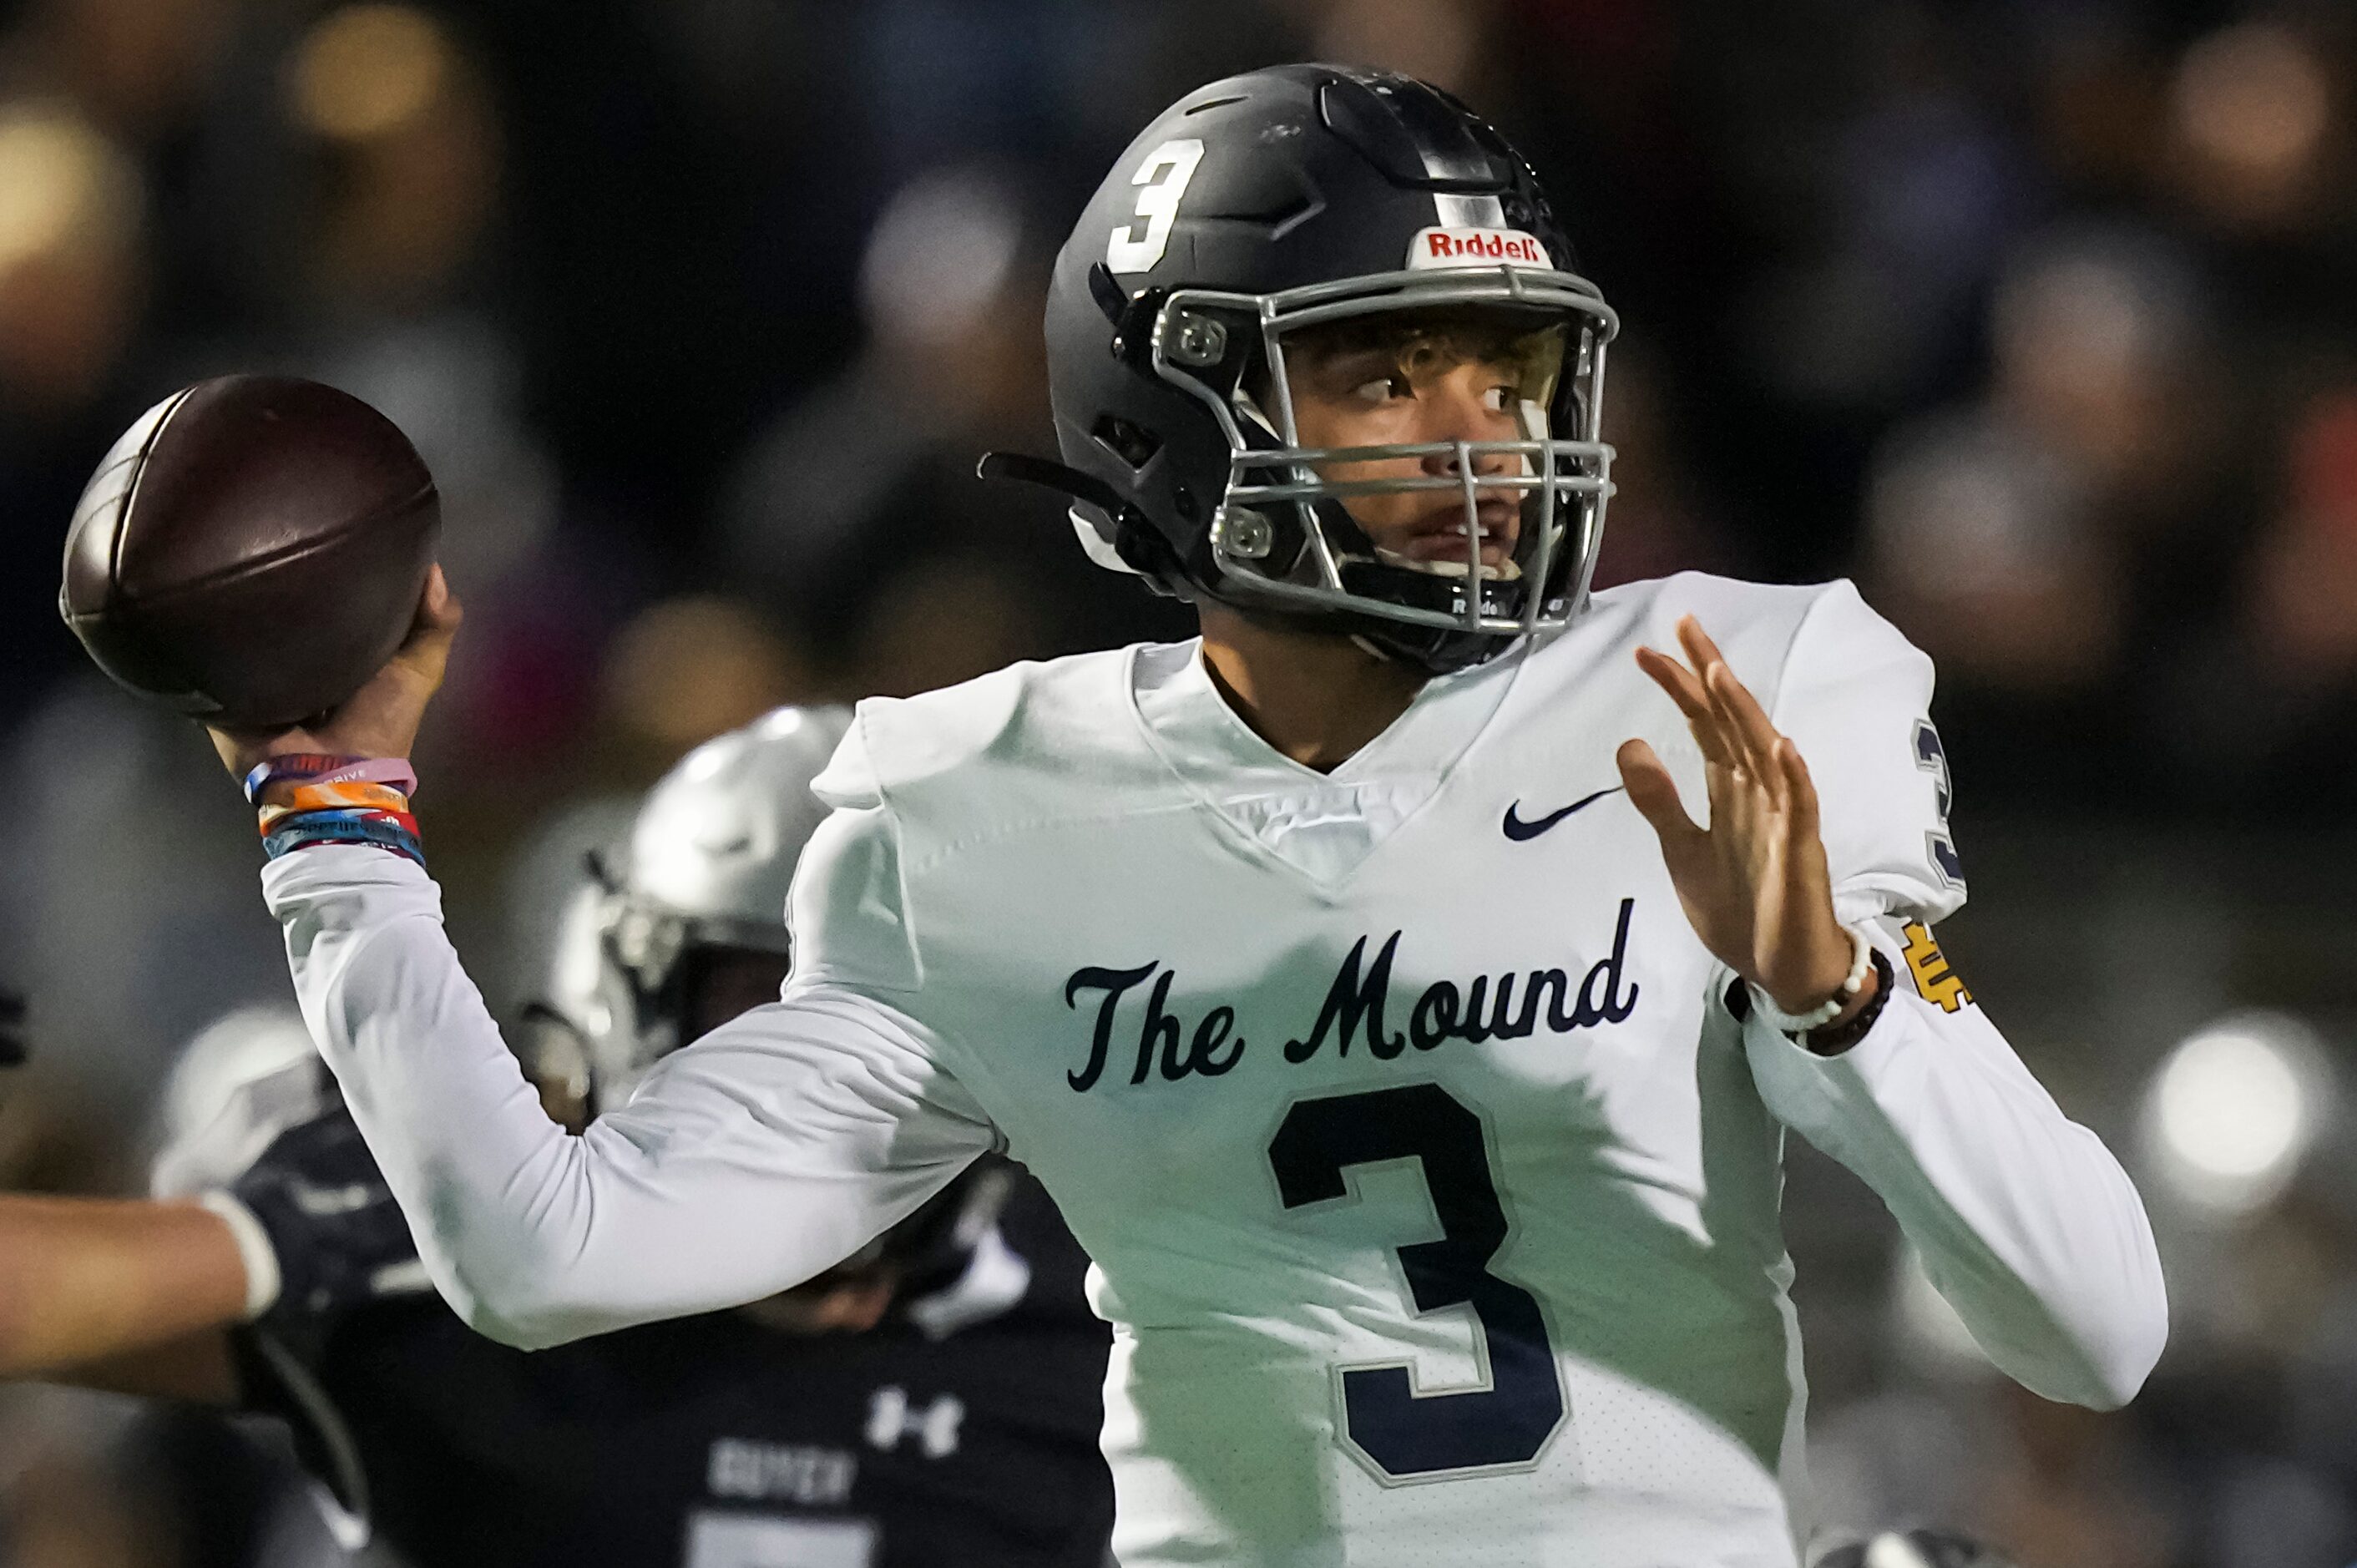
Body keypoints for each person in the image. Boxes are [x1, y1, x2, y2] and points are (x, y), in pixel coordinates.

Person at [207, 65, 2167, 1568]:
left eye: (1503, 365)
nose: (1482, 435)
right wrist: (336, 831)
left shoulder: (1720, 696)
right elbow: (545, 1257)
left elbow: (2093, 1328)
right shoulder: (972, 806)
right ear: (1178, 410)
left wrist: (1838, 995)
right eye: (1386, 370)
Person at [0, 710, 1114, 1568]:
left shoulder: (1126, 1314)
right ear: (635, 998)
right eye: (763, 1006)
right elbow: (45, 1290)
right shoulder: (457, 1265)